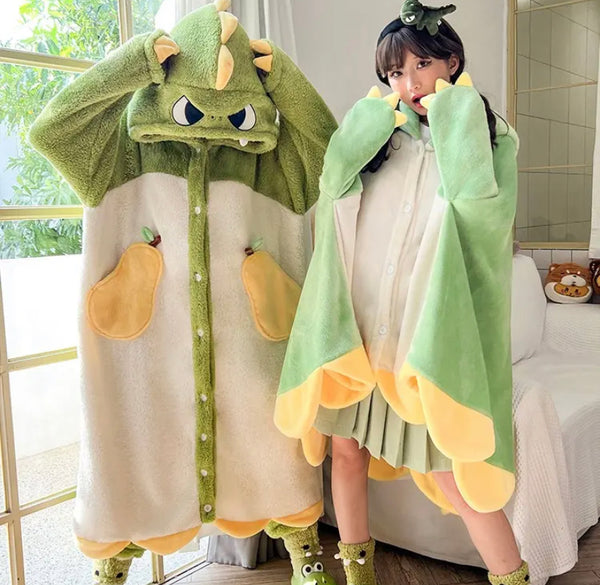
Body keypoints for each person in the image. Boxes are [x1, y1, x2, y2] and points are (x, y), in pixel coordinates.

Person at [28, 2, 339, 584]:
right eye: (193, 110)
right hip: (146, 354)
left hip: (254, 353)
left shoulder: (276, 164)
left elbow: (335, 152)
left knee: (271, 450)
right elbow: (52, 129)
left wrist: (286, 82)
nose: (211, 124)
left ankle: (304, 552)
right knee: (132, 451)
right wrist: (130, 65)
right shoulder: (116, 154)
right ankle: (113, 565)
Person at [274, 2, 529, 585]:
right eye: (395, 72)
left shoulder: (491, 138)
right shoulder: (382, 137)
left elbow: (479, 217)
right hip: (362, 329)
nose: (409, 83)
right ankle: (357, 577)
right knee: (346, 453)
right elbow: (332, 196)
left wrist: (457, 119)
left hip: (421, 342)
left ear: (451, 62)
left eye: (421, 65)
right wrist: (360, 133)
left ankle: (512, 576)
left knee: (453, 476)